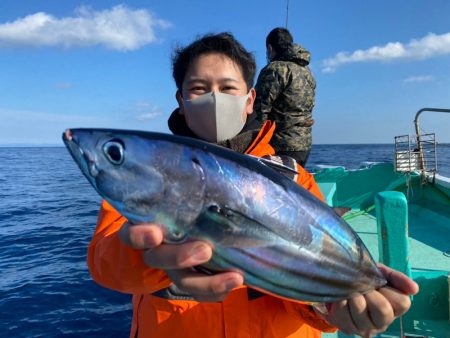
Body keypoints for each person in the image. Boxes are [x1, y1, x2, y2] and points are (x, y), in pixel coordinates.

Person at [87, 32, 418, 338]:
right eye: (199, 89)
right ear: (181, 100)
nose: (214, 99)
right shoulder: (141, 182)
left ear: (250, 99)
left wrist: (331, 308)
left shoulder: (294, 178)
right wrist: (148, 254)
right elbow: (107, 265)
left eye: (228, 88)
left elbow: (308, 291)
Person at [254, 27, 316, 167]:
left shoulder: (274, 69)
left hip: (279, 148)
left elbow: (259, 110)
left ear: (270, 48)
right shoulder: (307, 73)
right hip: (304, 146)